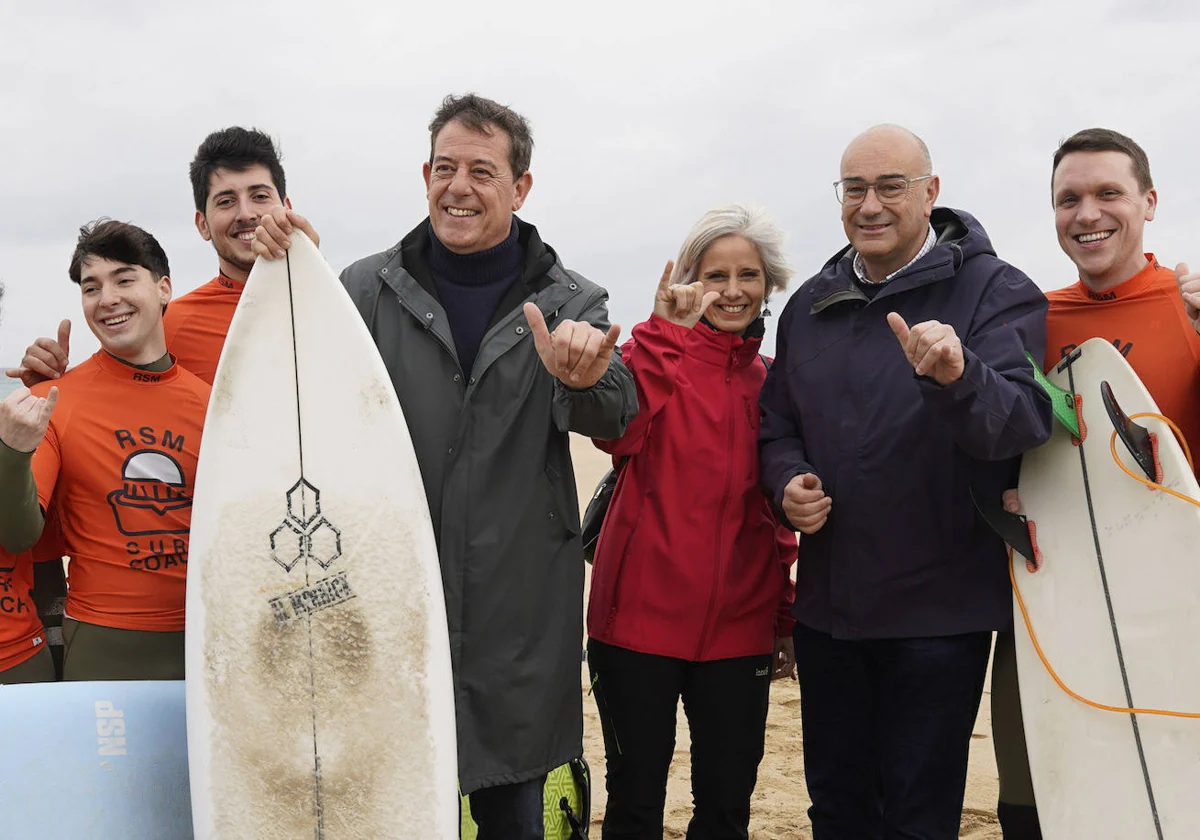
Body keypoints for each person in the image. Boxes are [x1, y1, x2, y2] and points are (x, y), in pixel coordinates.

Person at [252, 93, 637, 839]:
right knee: (388, 802)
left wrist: (587, 377)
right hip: (387, 598)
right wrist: (287, 263)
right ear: (424, 174)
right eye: (445, 167)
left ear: (521, 187)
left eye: (482, 172)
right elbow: (293, 389)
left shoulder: (569, 299)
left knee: (513, 805)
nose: (458, 186)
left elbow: (618, 414)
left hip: (517, 610)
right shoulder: (363, 289)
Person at [758, 124, 1052, 838]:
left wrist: (959, 376)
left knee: (918, 813)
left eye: (891, 186)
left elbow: (1021, 423)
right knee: (837, 806)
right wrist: (787, 480)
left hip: (939, 614)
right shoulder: (811, 304)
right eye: (854, 188)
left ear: (931, 192)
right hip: (831, 611)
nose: (870, 205)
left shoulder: (995, 290)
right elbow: (775, 425)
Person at [991, 128, 1200, 839]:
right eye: (1067, 199)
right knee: (1039, 789)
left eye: (1108, 193)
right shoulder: (1030, 318)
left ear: (1148, 201)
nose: (1087, 214)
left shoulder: (1190, 306)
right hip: (1059, 595)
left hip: (1177, 599)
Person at [585, 204, 797, 839]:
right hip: (636, 627)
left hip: (739, 629)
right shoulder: (648, 353)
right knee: (636, 804)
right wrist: (660, 333)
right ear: (688, 281)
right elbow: (617, 435)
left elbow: (774, 510)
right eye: (715, 275)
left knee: (728, 809)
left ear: (769, 283)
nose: (733, 292)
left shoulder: (773, 383)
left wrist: (781, 616)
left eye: (749, 275)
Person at [0, 220, 210, 680]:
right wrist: (12, 452)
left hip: (210, 638)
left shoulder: (214, 405)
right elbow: (18, 534)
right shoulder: (53, 401)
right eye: (91, 287)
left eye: (124, 279)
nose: (107, 298)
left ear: (163, 289)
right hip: (103, 643)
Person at [6, 127, 313, 388]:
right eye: (226, 201)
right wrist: (52, 384)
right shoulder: (167, 327)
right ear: (202, 224)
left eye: (260, 196)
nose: (246, 214)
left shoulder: (342, 296)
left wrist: (310, 264)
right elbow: (109, 394)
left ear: (286, 205)